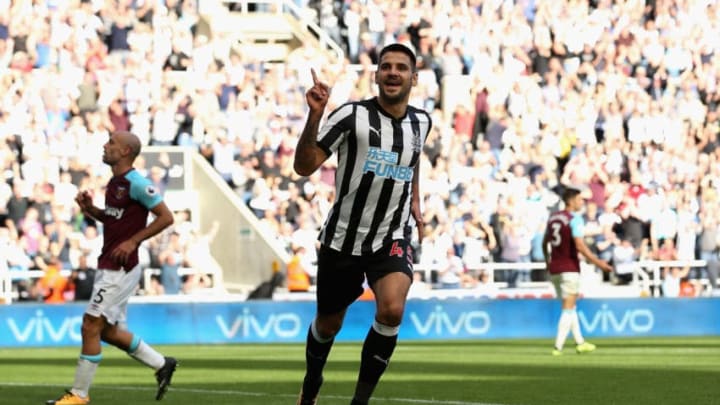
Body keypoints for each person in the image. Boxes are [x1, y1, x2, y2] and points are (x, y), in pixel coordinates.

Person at [293, 43, 431, 405]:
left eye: (401, 67)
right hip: (344, 237)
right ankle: (311, 384)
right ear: (377, 75)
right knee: (328, 325)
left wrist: (414, 200)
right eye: (386, 66)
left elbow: (412, 161)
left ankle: (359, 402)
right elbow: (304, 166)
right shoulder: (351, 115)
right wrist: (316, 115)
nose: (393, 72)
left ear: (413, 78)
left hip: (392, 234)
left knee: (391, 309)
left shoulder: (422, 122)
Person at [47, 131, 177, 405]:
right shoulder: (115, 183)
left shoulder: (138, 183)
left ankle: (79, 396)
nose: (105, 147)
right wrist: (91, 210)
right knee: (108, 331)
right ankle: (162, 363)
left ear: (126, 151)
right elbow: (115, 219)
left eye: (111, 143)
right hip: (109, 264)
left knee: (90, 325)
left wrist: (133, 241)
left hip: (121, 267)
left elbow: (166, 217)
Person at [543, 187, 613, 356]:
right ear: (570, 200)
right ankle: (557, 347)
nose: (582, 202)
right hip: (569, 268)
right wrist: (599, 263)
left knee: (570, 306)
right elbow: (580, 246)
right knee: (568, 308)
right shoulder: (574, 219)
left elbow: (544, 242)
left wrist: (548, 261)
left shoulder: (553, 218)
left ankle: (580, 342)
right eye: (579, 199)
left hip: (555, 269)